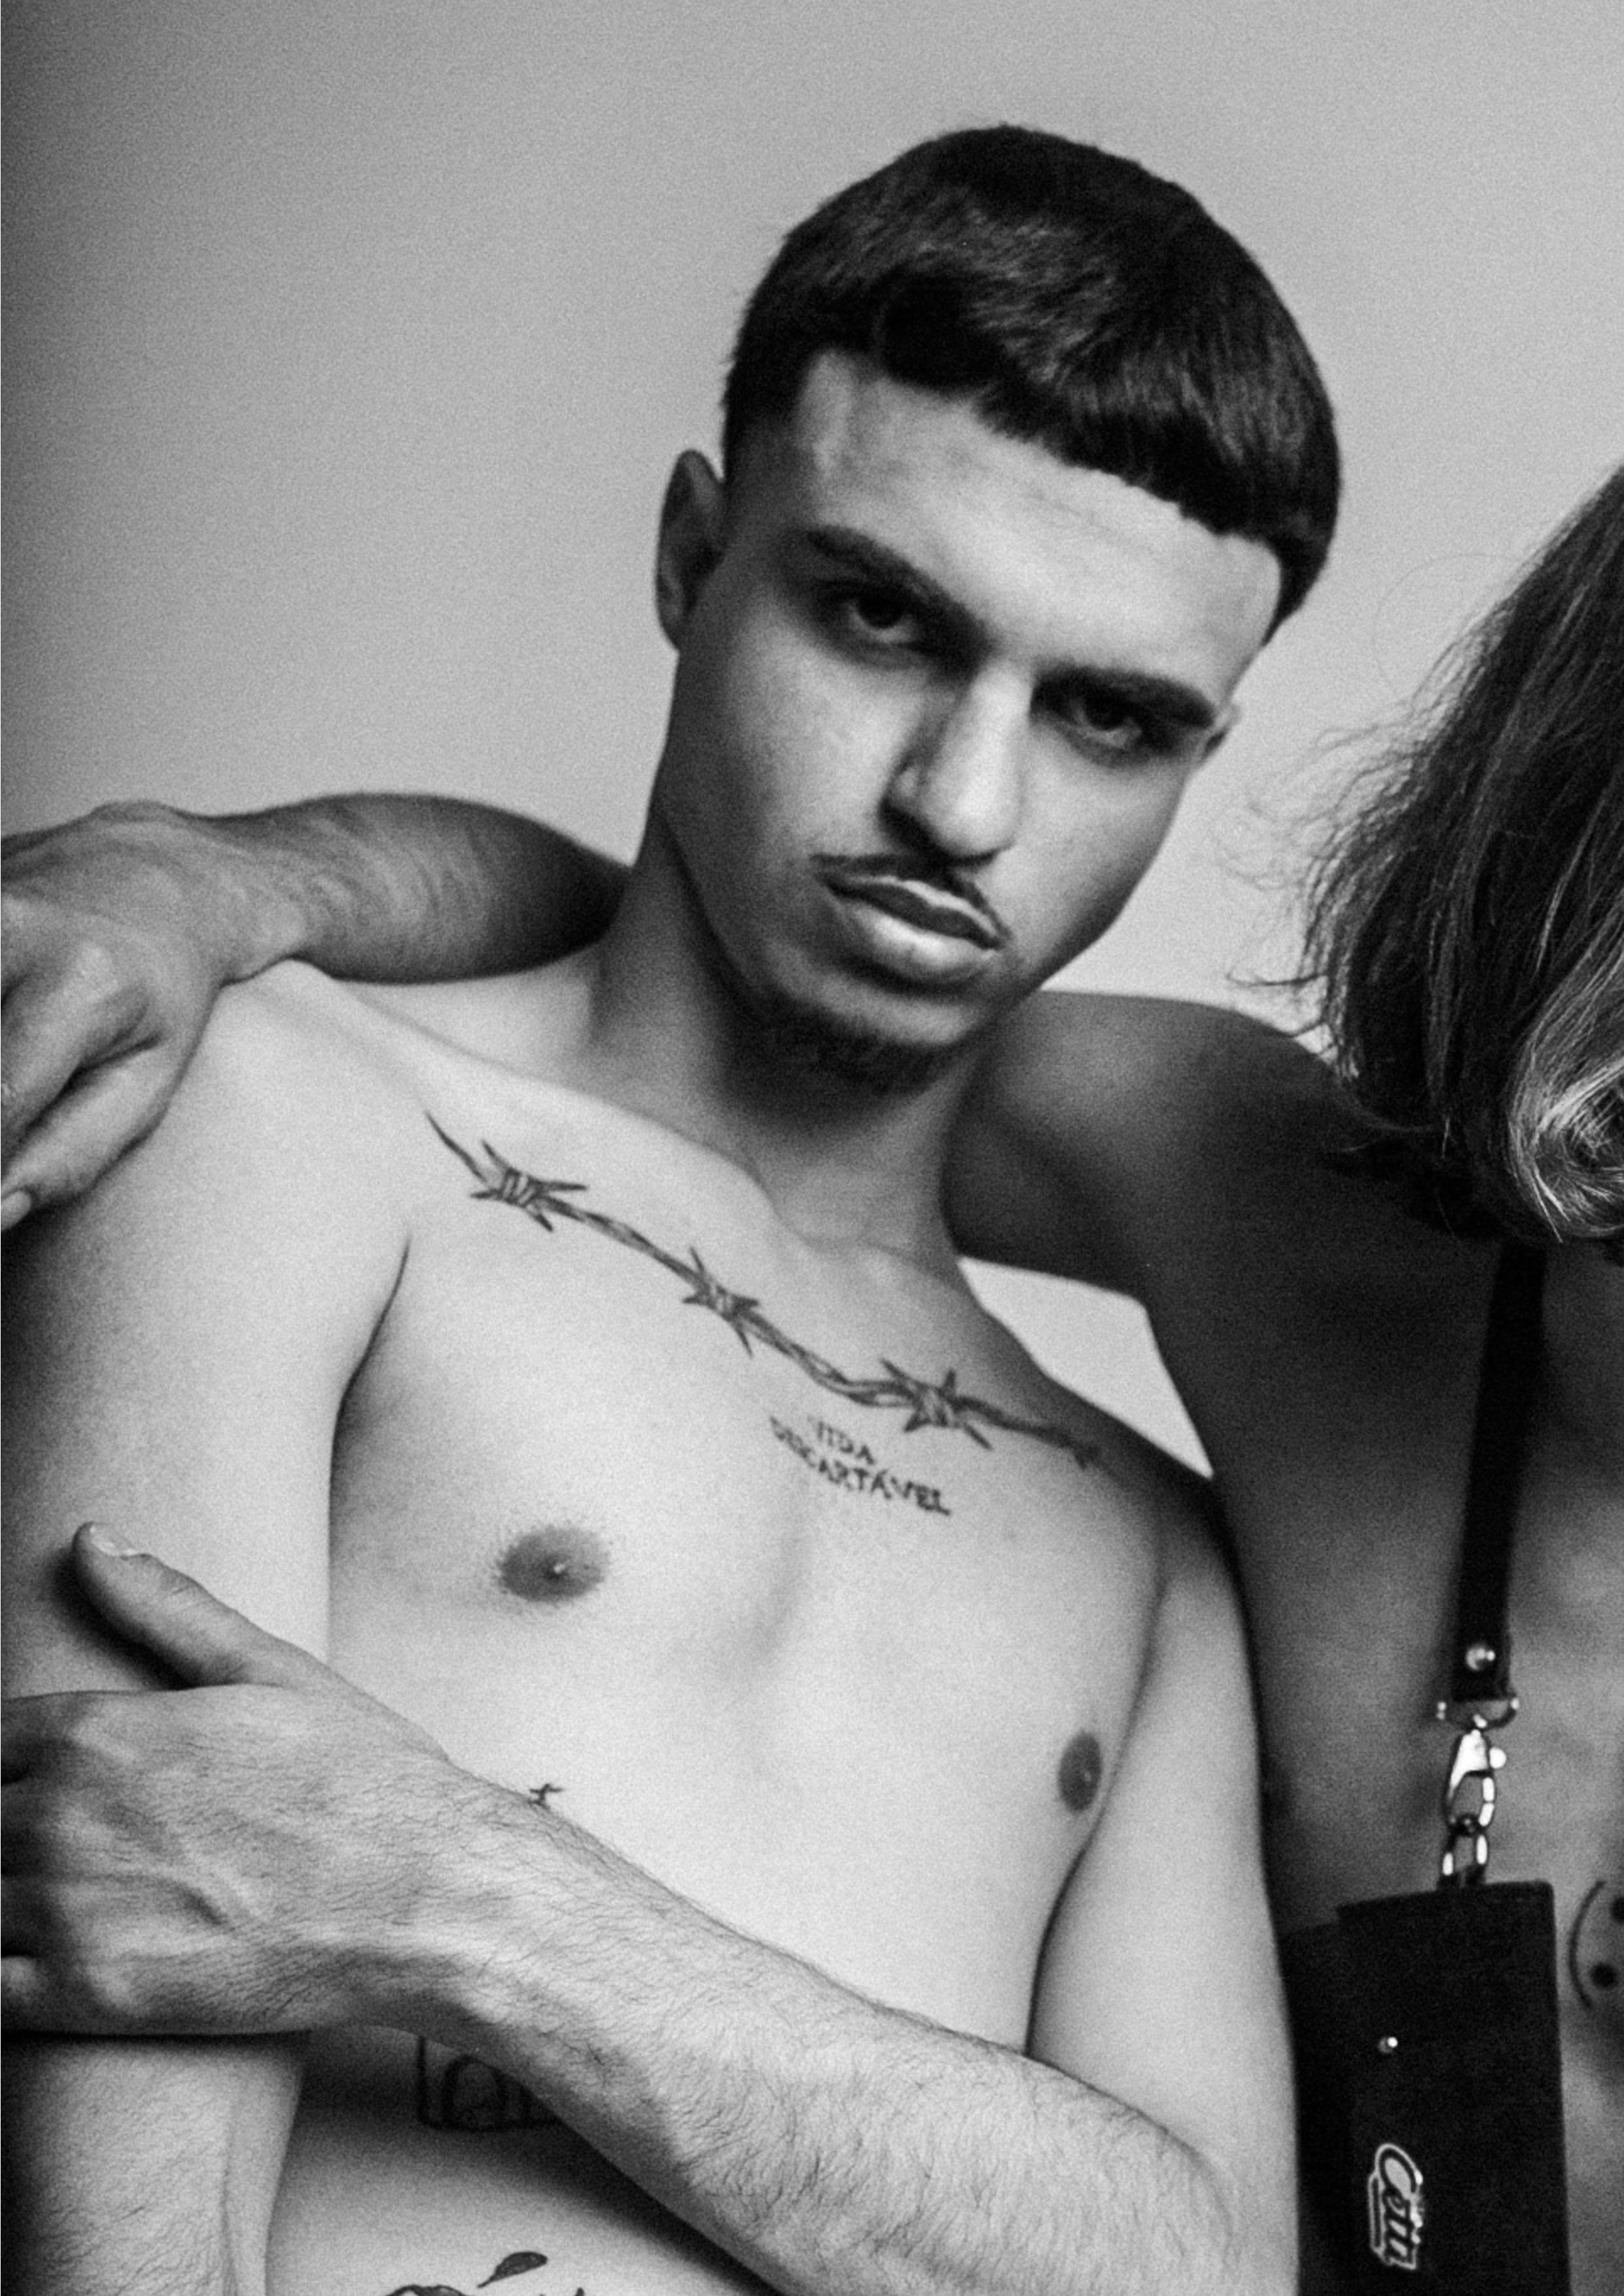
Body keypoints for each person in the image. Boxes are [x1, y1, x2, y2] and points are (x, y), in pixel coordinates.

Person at [1, 126, 1338, 2296]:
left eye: (1107, 718)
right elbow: (110, 2195)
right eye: (878, 616)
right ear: (691, 552)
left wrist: (461, 1898)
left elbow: (1204, 2271)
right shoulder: (280, 1131)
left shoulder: (1145, 1548)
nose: (960, 800)